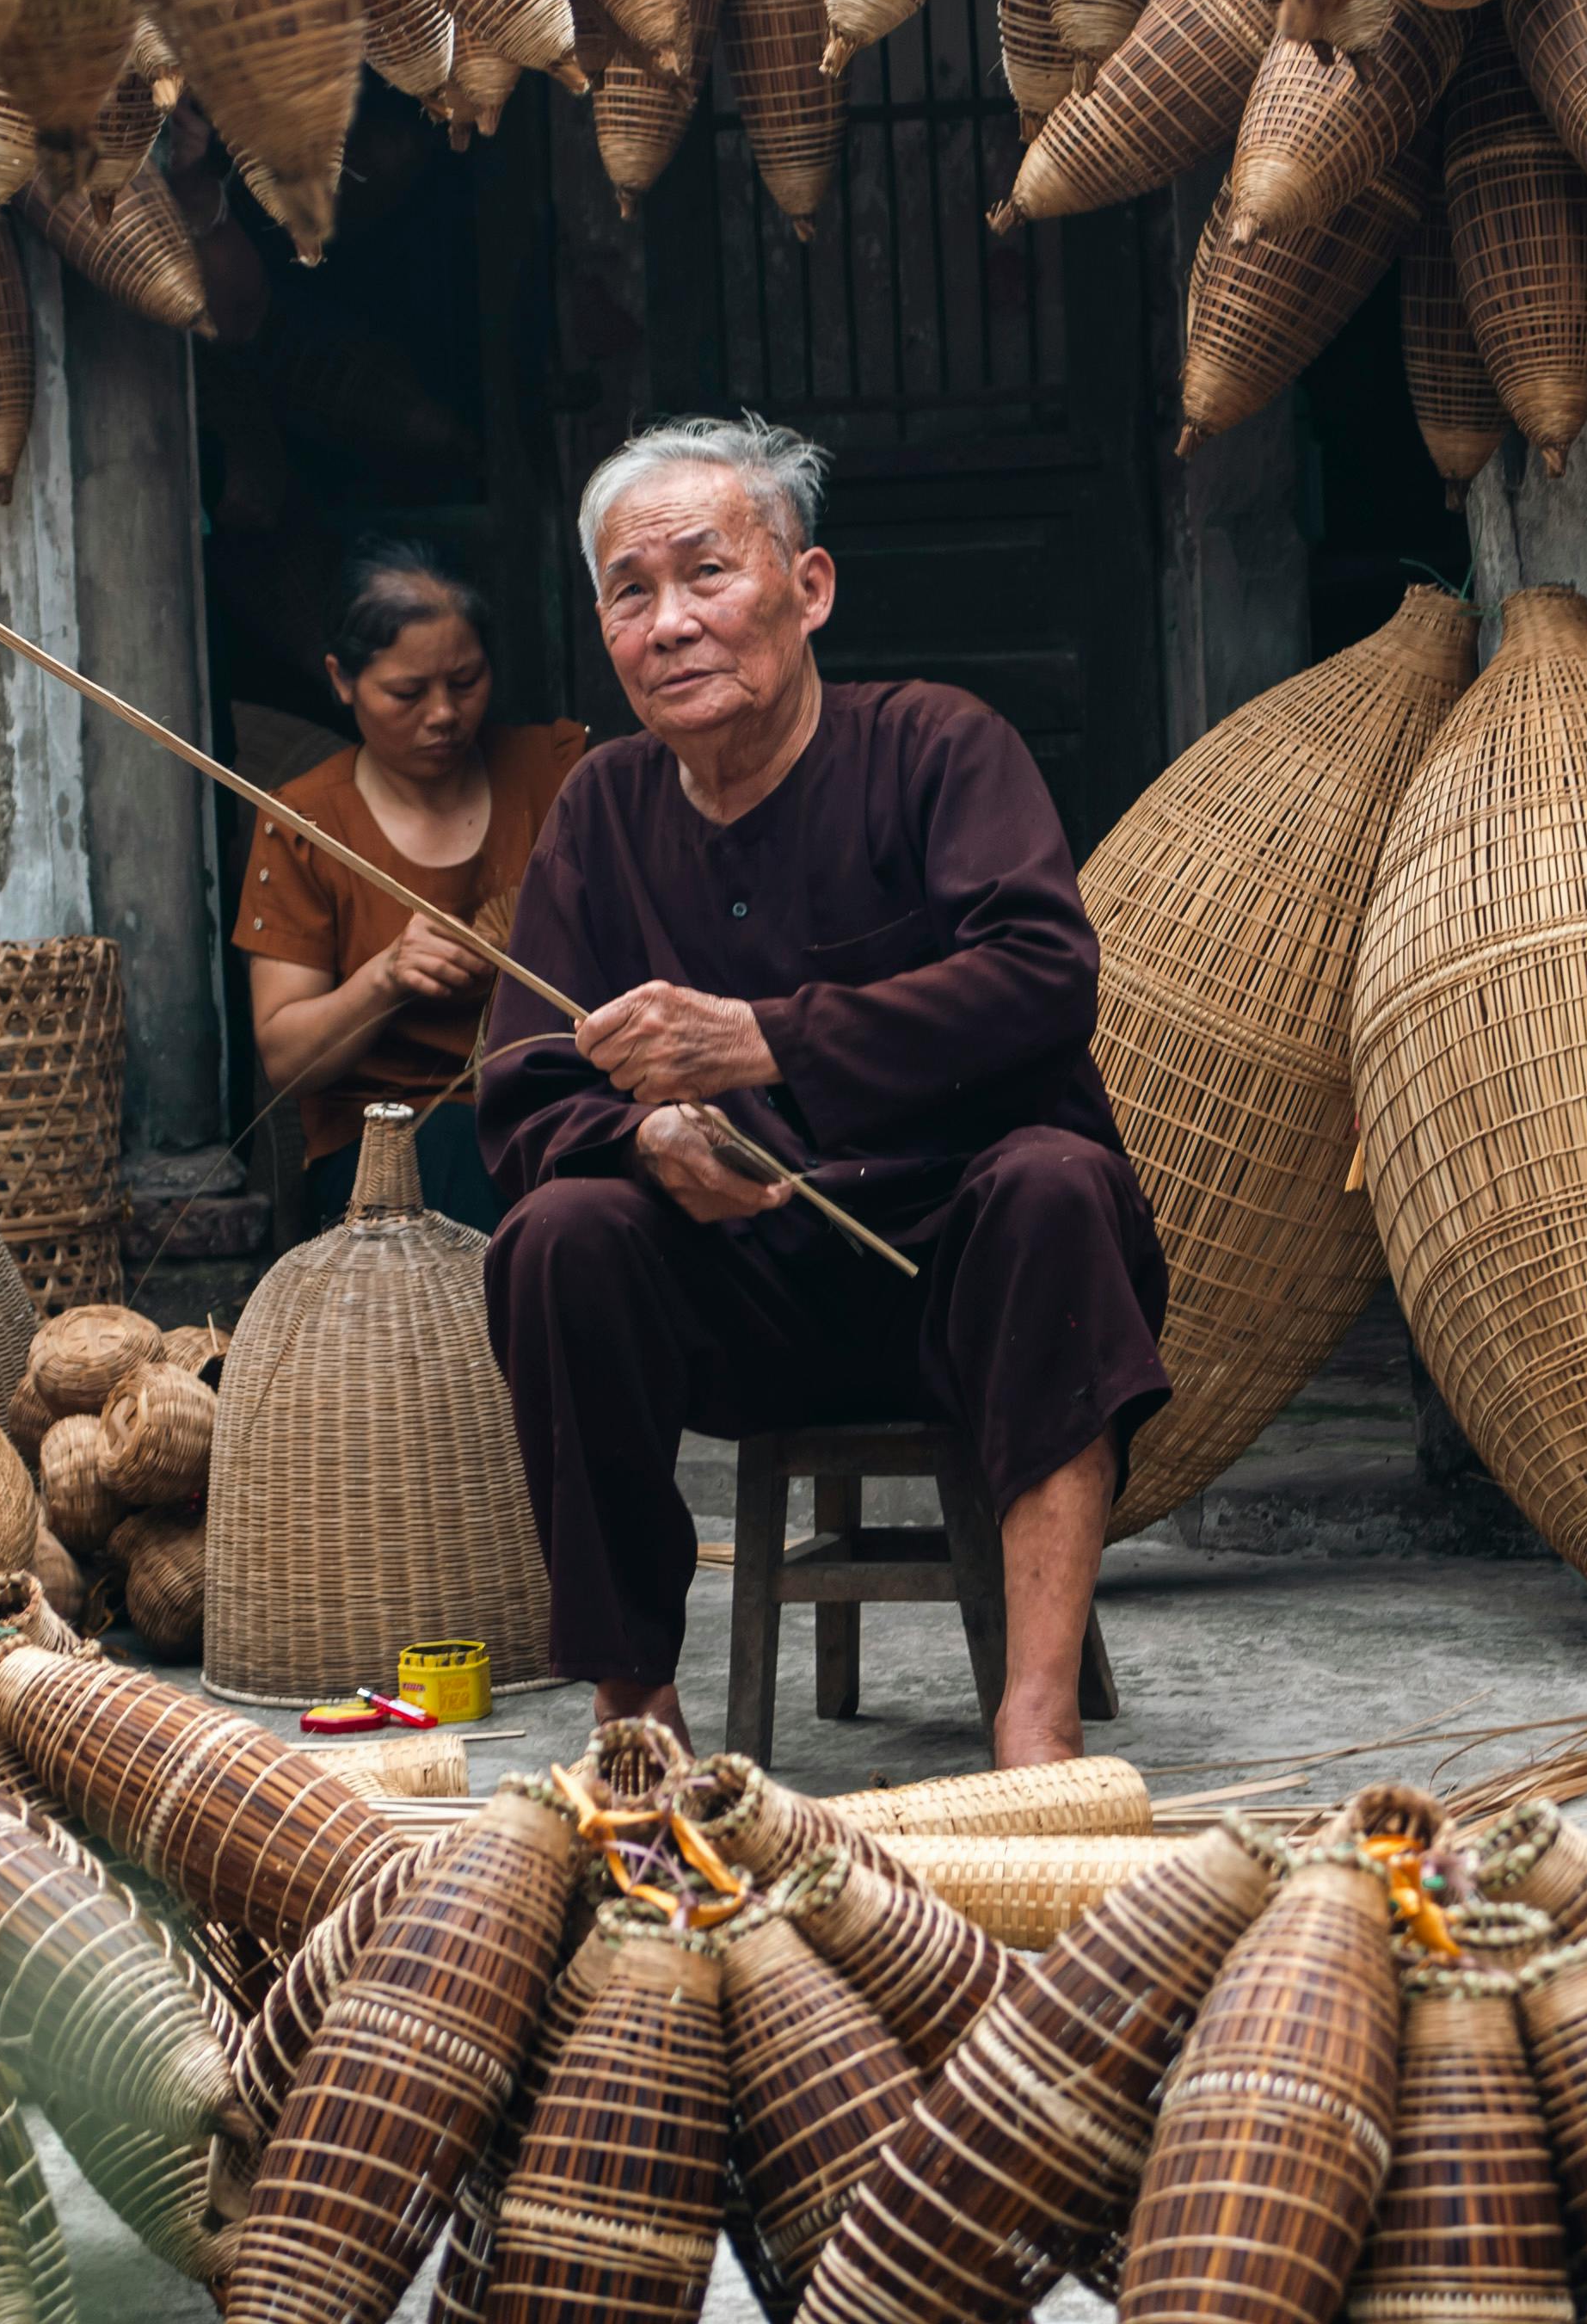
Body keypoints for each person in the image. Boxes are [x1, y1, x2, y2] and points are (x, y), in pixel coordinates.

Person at [477, 416, 1172, 1768]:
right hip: (737, 1295)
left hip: (958, 1270)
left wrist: (764, 1041)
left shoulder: (937, 748)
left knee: (1055, 1181)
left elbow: (1042, 978)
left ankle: (1033, 1721)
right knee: (558, 1235)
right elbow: (522, 1090)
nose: (670, 623)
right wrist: (646, 1135)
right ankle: (636, 1715)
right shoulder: (599, 811)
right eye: (633, 592)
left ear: (811, 590)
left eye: (706, 574)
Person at [235, 545, 584, 1233]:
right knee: (469, 1162)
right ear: (341, 679)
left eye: (466, 680)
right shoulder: (305, 824)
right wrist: (386, 978)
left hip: (553, 1104)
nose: (444, 715)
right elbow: (286, 1060)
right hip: (388, 1147)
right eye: (407, 693)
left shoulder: (556, 772)